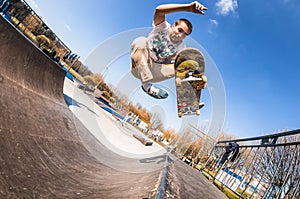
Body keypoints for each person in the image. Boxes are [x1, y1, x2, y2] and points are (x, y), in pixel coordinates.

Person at [130, 1, 208, 99]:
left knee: (185, 65)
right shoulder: (163, 27)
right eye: (180, 30)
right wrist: (187, 8)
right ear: (173, 26)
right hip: (139, 66)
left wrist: (197, 81)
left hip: (155, 72)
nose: (181, 35)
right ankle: (147, 86)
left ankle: (189, 97)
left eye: (184, 34)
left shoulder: (181, 47)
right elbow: (159, 10)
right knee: (140, 41)